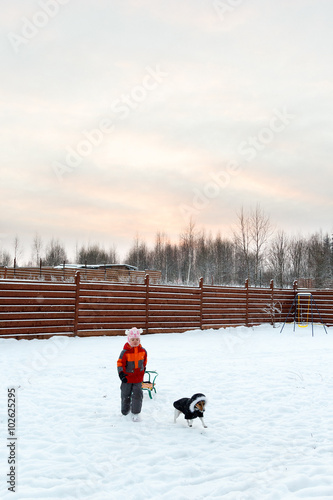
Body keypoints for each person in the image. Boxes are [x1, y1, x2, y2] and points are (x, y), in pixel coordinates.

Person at [117, 327, 147, 421]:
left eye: (137, 339)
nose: (135, 341)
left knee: (138, 394)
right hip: (127, 378)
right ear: (129, 340)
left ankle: (136, 412)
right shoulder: (125, 352)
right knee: (125, 394)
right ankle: (125, 411)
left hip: (138, 378)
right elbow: (120, 363)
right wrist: (121, 374)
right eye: (133, 339)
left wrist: (142, 371)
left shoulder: (143, 351)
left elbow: (144, 362)